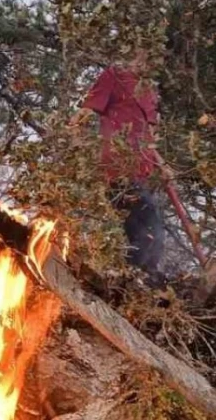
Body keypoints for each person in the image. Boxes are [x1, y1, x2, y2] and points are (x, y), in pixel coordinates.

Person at [68, 49, 168, 279]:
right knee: (151, 228)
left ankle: (132, 283)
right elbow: (85, 112)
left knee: (140, 232)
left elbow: (149, 138)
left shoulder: (150, 92)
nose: (148, 61)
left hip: (140, 172)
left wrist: (162, 165)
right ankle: (137, 281)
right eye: (145, 54)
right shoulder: (114, 75)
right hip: (117, 169)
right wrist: (75, 140)